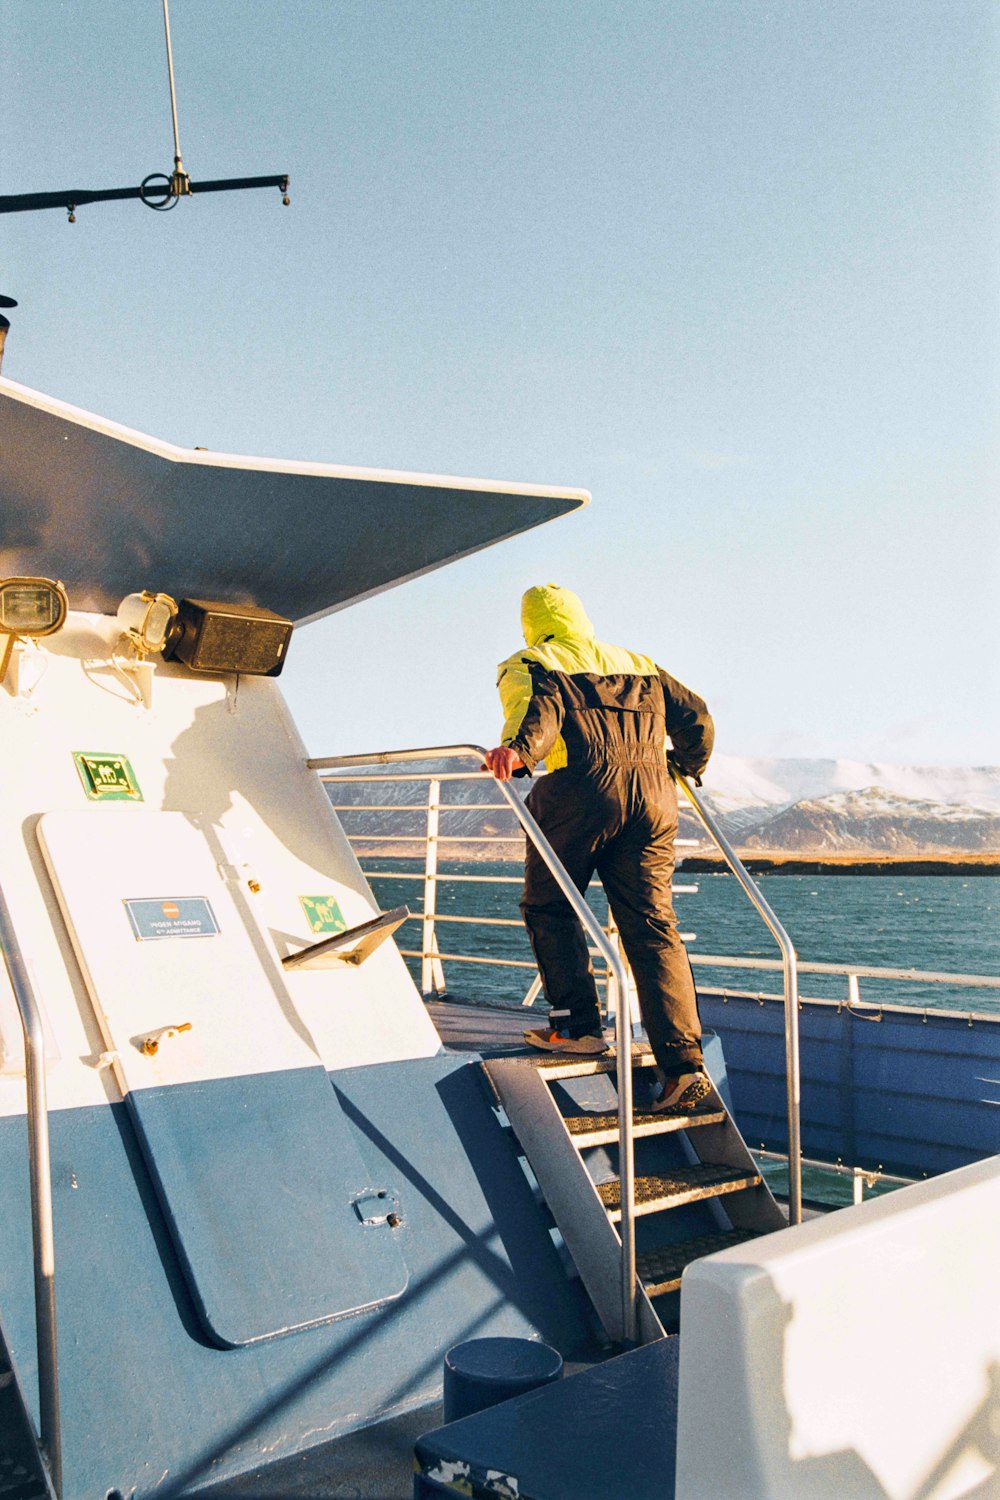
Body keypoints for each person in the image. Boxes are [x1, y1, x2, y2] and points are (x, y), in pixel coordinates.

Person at [483, 583, 715, 1113]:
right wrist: (684, 767)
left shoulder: (532, 659)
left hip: (580, 791)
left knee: (551, 904)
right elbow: (698, 718)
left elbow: (537, 715)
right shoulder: (638, 663)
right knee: (653, 926)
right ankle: (683, 1067)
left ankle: (577, 1028)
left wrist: (518, 754)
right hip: (655, 796)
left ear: (530, 622)